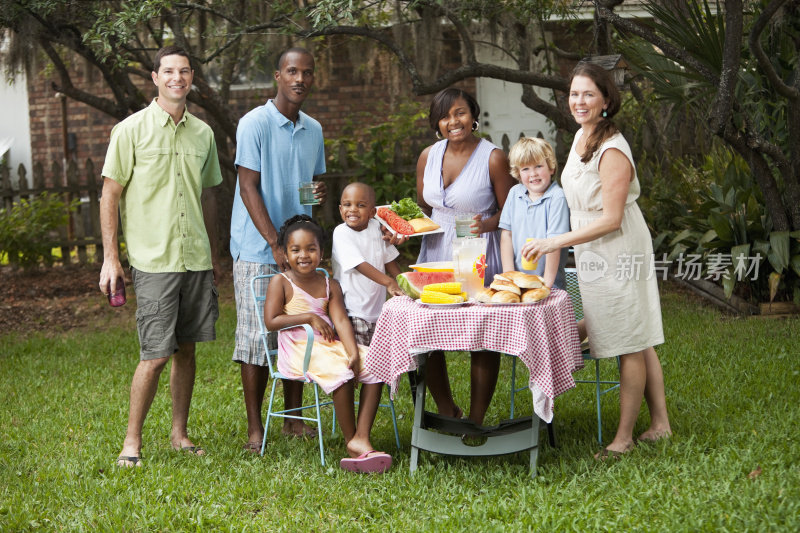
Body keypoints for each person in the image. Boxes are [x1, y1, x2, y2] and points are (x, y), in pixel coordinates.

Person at [524, 62, 672, 459]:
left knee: (628, 341)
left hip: (618, 246)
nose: (579, 101)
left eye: (588, 94)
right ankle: (660, 424)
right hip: (592, 250)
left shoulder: (612, 148)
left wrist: (555, 241)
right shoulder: (581, 137)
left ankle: (623, 439)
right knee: (636, 335)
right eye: (574, 93)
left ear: (606, 100)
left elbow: (610, 218)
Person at [98, 45, 223, 467]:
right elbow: (110, 195)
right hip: (153, 261)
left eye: (184, 71)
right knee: (154, 355)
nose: (177, 78)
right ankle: (131, 442)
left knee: (186, 350)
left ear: (191, 78)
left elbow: (207, 194)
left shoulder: (203, 134)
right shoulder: (129, 131)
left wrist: (212, 254)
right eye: (168, 71)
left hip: (196, 259)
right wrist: (111, 259)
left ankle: (179, 434)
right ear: (154, 78)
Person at [229, 47, 327, 452]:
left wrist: (317, 192)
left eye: (306, 73)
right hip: (258, 248)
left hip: (300, 251)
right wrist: (274, 242)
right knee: (256, 340)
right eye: (292, 71)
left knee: (298, 332)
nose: (299, 79)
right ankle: (256, 429)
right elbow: (248, 185)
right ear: (277, 76)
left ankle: (293, 420)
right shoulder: (254, 123)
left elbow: (314, 184)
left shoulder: (314, 129)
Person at [415, 88, 515, 425]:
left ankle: (475, 421)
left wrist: (484, 223)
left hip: (478, 252)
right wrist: (402, 229)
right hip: (434, 252)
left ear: (473, 116)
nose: (452, 121)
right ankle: (447, 410)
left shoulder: (493, 157)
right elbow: (424, 210)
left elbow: (511, 211)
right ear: (437, 124)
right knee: (427, 331)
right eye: (444, 116)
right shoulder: (428, 156)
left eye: (459, 113)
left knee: (481, 335)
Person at [264, 215, 392, 473]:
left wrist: (353, 351)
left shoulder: (328, 283)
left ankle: (362, 437)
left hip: (329, 345)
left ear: (322, 252)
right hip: (300, 349)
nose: (304, 255)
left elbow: (342, 321)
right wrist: (309, 317)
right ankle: (350, 441)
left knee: (377, 365)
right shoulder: (281, 282)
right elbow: (271, 320)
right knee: (342, 374)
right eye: (296, 250)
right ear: (286, 254)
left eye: (311, 249)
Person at [332, 182, 404, 345]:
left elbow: (388, 259)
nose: (353, 209)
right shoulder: (341, 233)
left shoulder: (376, 227)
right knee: (362, 361)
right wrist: (389, 282)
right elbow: (359, 264)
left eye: (361, 205)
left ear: (372, 212)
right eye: (347, 204)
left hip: (378, 310)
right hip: (352, 310)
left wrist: (403, 283)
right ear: (340, 209)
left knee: (379, 358)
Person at [499, 137, 570, 289]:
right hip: (518, 282)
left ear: (551, 168)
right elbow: (507, 235)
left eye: (538, 166)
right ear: (518, 173)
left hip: (549, 283)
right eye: (525, 169)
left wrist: (547, 285)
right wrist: (509, 276)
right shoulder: (514, 193)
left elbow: (554, 243)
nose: (533, 174)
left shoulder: (557, 197)